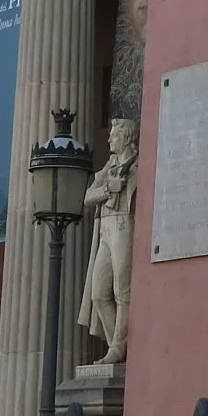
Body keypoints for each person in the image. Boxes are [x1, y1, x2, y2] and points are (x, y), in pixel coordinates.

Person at [77, 119, 138, 364]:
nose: (110, 139)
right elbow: (87, 196)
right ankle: (118, 346)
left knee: (121, 290)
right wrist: (107, 189)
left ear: (126, 138)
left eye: (114, 136)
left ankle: (117, 349)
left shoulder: (137, 166)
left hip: (125, 224)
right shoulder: (109, 167)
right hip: (105, 228)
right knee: (98, 293)